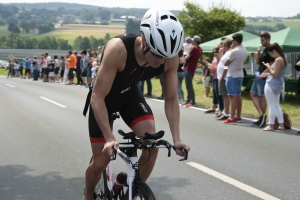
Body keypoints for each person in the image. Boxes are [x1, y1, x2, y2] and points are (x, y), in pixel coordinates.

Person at [83, 8, 190, 200]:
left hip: (130, 96)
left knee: (152, 147)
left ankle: (130, 187)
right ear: (145, 39)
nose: (161, 61)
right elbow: (97, 97)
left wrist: (177, 139)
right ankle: (88, 196)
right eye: (157, 54)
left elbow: (172, 99)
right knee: (101, 160)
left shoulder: (169, 57)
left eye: (165, 56)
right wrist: (109, 137)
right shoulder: (119, 49)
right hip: (104, 100)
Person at [259, 43, 287, 131]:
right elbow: (277, 73)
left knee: (271, 106)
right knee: (276, 105)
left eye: (271, 54)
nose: (271, 55)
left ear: (274, 51)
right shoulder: (283, 59)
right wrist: (266, 73)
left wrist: (268, 67)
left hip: (271, 84)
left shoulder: (278, 60)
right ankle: (281, 125)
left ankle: (271, 125)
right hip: (278, 85)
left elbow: (275, 74)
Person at [250, 32, 275, 127]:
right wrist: (259, 52)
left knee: (261, 96)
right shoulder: (264, 50)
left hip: (263, 75)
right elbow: (257, 62)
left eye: (263, 40)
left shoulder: (271, 49)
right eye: (260, 40)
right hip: (258, 73)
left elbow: (272, 64)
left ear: (268, 39)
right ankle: (261, 114)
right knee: (252, 94)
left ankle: (263, 117)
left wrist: (264, 74)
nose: (261, 42)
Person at [223, 33, 248, 124]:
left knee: (232, 96)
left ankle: (232, 116)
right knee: (238, 95)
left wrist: (230, 49)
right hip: (240, 73)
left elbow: (226, 63)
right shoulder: (244, 49)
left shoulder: (234, 51)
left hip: (232, 74)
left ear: (235, 41)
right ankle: (238, 115)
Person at [182, 35, 203, 107]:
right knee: (188, 84)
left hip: (189, 67)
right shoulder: (200, 49)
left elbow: (187, 57)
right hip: (193, 68)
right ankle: (188, 100)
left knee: (189, 85)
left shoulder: (194, 49)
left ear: (195, 42)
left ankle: (192, 101)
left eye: (193, 41)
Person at [217, 39, 232, 120]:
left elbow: (225, 67)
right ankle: (224, 111)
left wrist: (222, 77)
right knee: (223, 95)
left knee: (225, 96)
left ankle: (226, 113)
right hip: (222, 77)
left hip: (224, 77)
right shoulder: (225, 53)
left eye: (222, 45)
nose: (222, 47)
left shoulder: (228, 53)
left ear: (226, 46)